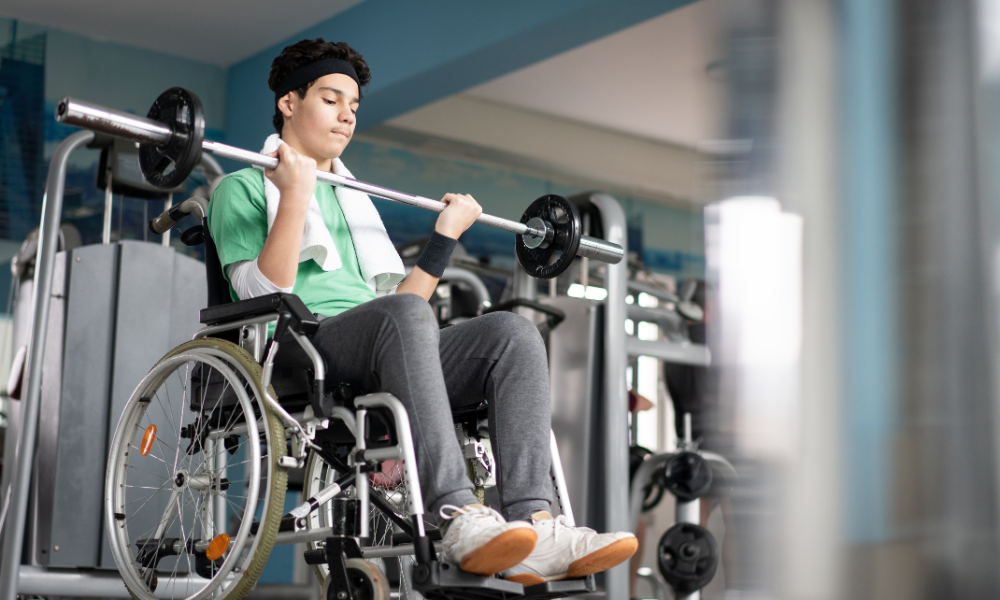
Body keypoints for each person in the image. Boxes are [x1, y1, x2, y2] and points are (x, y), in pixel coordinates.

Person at [207, 38, 637, 584]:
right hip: (300, 345)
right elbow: (262, 292)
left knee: (513, 332)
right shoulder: (241, 187)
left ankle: (536, 521)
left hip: (379, 339)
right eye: (331, 99)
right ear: (289, 104)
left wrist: (444, 237)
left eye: (354, 107)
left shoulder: (348, 196)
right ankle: (458, 515)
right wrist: (294, 195)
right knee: (402, 315)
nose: (346, 117)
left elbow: (405, 307)